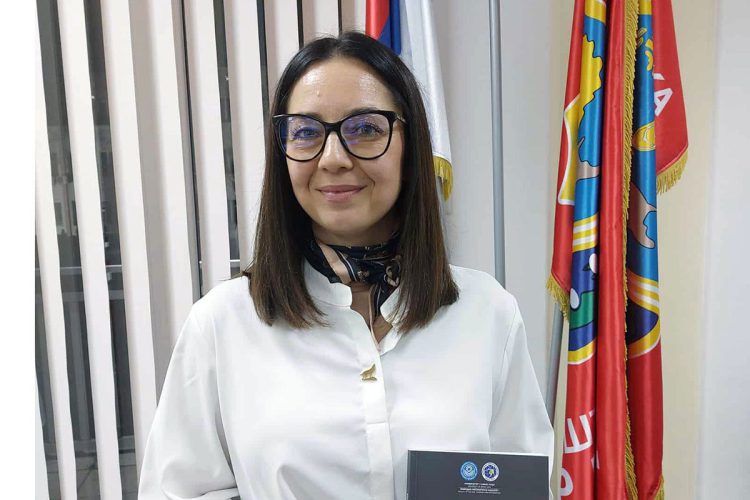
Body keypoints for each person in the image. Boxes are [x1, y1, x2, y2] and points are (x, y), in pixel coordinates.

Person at [138, 31, 553, 500]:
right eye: (306, 132)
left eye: (366, 128)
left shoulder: (488, 313)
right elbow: (176, 491)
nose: (333, 159)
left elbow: (522, 485)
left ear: (410, 144)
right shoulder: (222, 323)